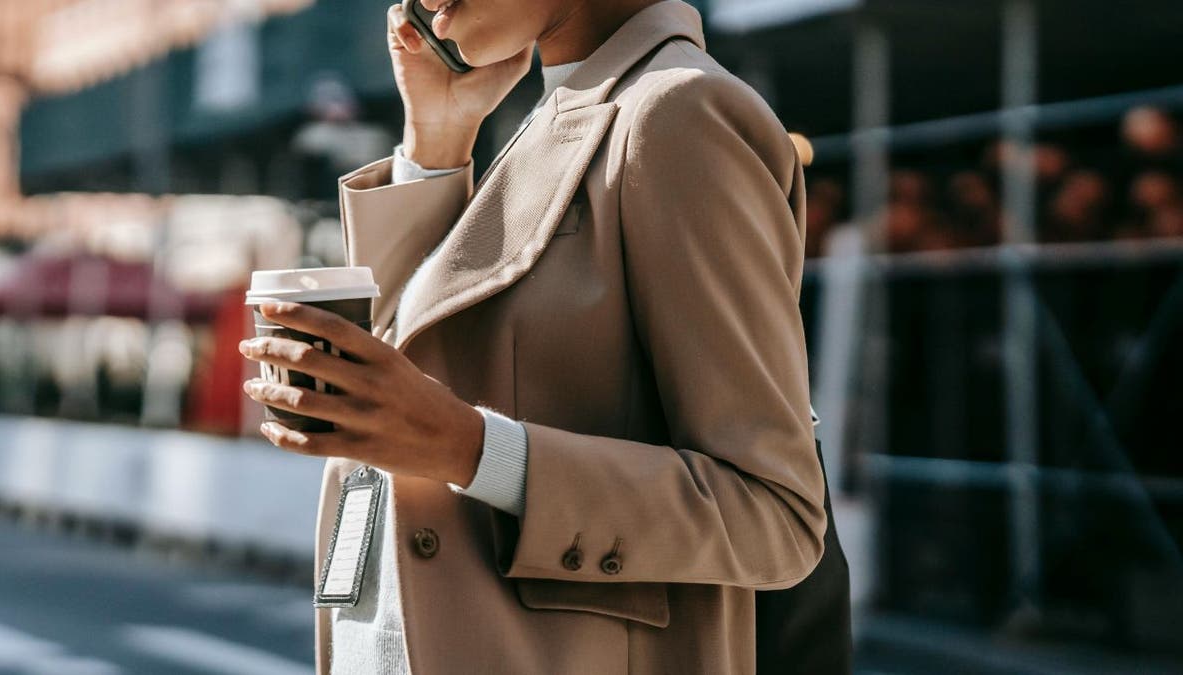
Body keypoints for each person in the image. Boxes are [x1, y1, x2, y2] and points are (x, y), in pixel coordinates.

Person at [239, 1, 850, 672]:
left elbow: (776, 511)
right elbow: (426, 352)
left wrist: (471, 446)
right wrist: (437, 140)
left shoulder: (679, 112)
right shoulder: (555, 114)